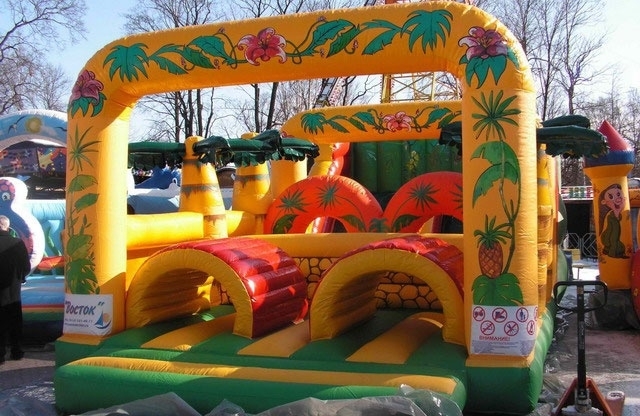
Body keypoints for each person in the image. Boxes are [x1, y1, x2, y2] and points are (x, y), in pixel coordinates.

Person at [0, 215, 31, 363]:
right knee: (15, 321)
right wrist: (20, 278)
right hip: (13, 290)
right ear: (7, 226)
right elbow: (26, 266)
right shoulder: (17, 243)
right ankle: (16, 351)